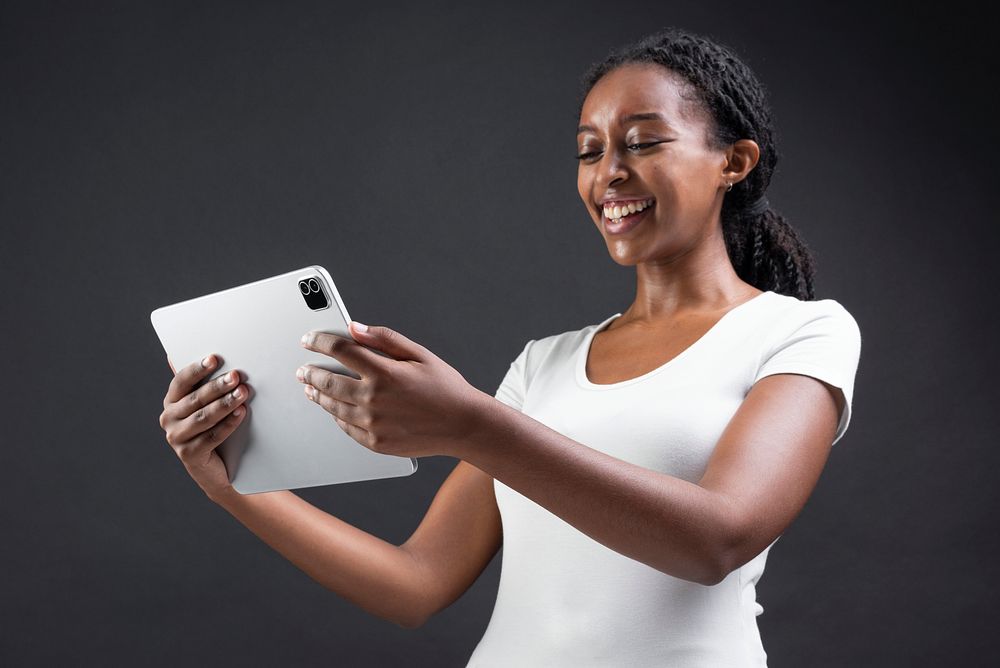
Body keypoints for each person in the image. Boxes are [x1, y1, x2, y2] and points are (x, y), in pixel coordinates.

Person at [158, 27, 862, 667]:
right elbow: (416, 584)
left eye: (643, 142)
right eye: (589, 150)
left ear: (733, 162)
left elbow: (719, 540)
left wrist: (472, 424)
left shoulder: (800, 333)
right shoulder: (543, 364)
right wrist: (235, 488)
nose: (608, 172)